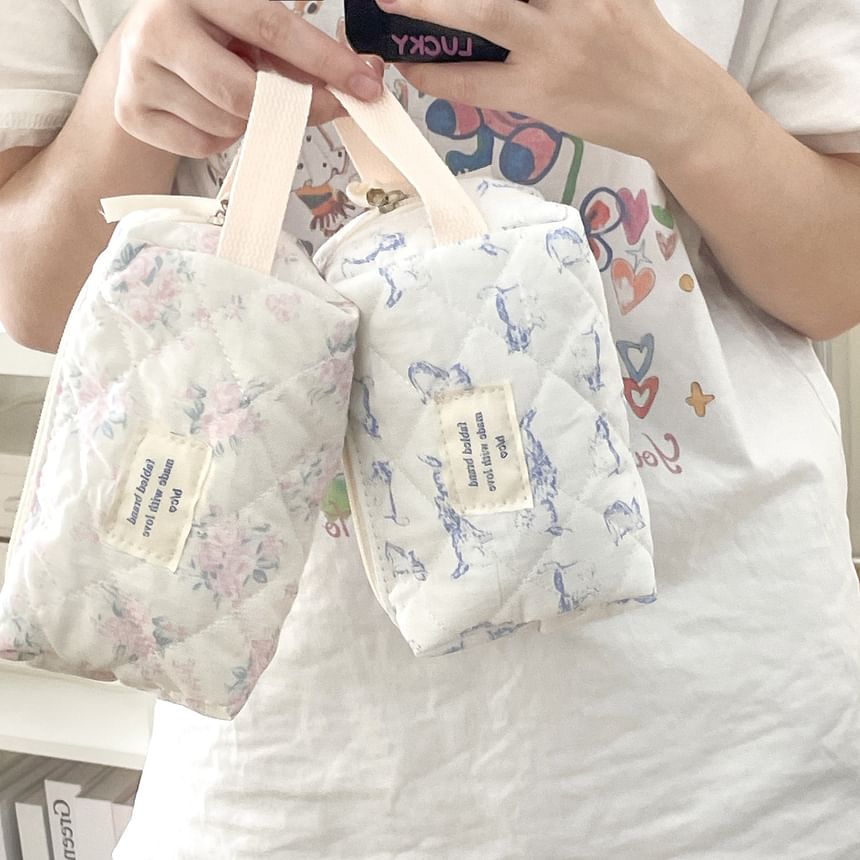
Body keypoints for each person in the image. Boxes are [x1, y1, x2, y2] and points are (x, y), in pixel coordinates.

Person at [2, 1, 859, 856]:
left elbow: (838, 282)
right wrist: (130, 83)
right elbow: (31, 300)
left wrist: (676, 102)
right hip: (282, 780)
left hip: (734, 746)